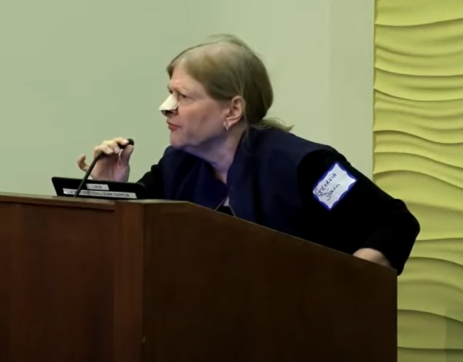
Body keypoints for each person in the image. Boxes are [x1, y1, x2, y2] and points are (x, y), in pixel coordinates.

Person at [76, 34, 420, 275]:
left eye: (183, 97)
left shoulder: (305, 166)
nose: (166, 108)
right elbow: (130, 244)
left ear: (233, 110)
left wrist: (345, 282)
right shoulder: (176, 165)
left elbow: (392, 224)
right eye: (169, 94)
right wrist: (107, 190)